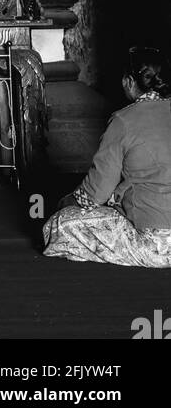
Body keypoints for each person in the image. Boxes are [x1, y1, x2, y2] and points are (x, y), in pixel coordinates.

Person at [43, 47, 171, 267]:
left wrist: (66, 203)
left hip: (155, 241)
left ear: (129, 82)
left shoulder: (123, 120)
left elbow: (96, 193)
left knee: (57, 226)